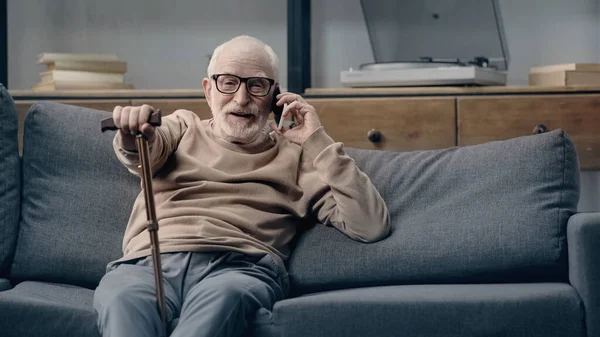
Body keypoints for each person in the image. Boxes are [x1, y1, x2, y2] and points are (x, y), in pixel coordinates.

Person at [93, 35, 390, 337]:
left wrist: (317, 140)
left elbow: (370, 225)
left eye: (257, 85)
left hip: (238, 270)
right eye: (229, 82)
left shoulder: (299, 157)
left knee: (226, 298)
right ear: (208, 90)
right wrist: (132, 134)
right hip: (147, 264)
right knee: (121, 299)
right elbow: (144, 150)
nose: (242, 98)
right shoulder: (183, 126)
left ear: (275, 95)